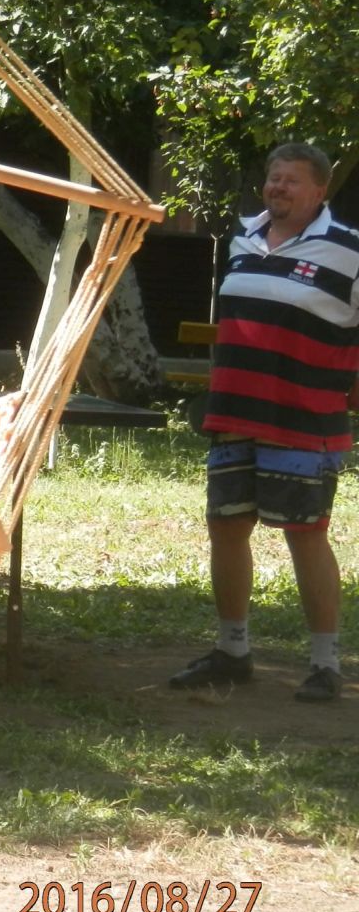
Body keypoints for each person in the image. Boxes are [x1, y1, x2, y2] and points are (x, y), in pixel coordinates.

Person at [170, 142, 356, 704]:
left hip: (306, 418)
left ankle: (325, 664)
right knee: (225, 526)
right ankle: (233, 652)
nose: (279, 187)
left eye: (292, 180)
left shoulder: (349, 250)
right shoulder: (242, 240)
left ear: (320, 190)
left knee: (306, 532)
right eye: (274, 178)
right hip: (234, 413)